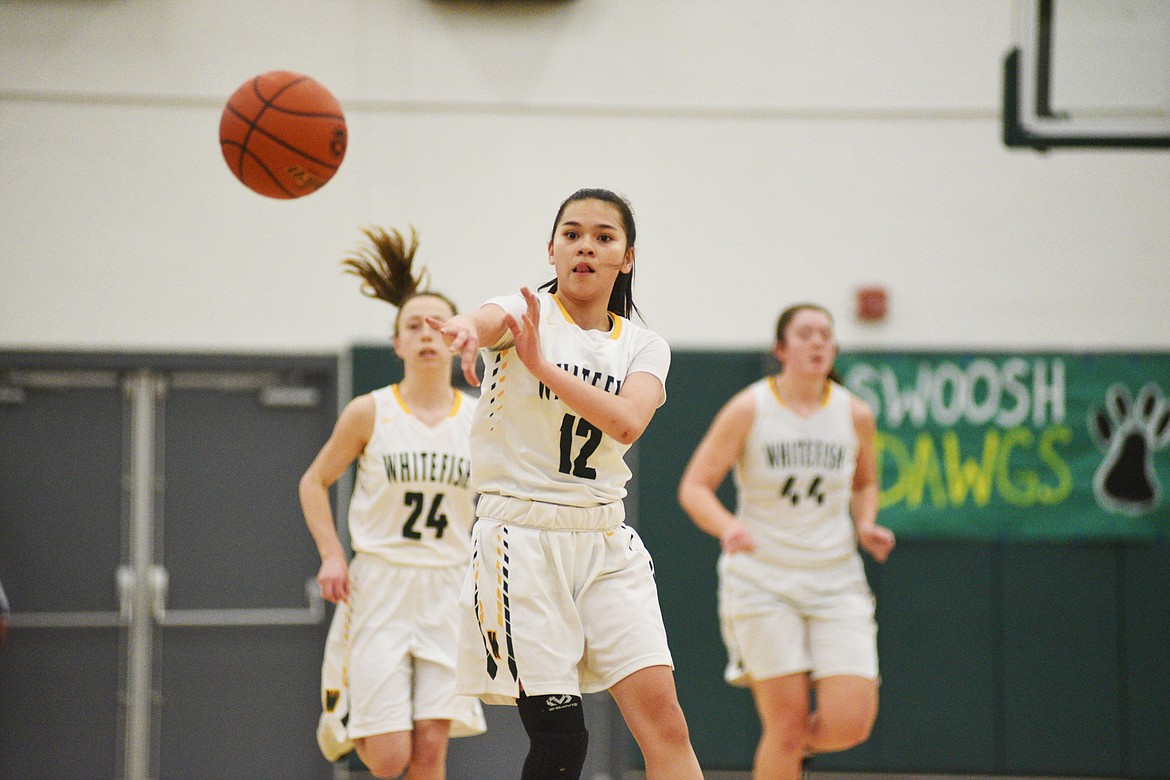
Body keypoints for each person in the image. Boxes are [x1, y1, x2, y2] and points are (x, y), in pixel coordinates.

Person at [428, 188, 703, 780]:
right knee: (562, 744)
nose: (586, 246)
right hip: (521, 540)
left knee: (668, 727)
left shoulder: (644, 345)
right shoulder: (524, 311)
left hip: (605, 541)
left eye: (604, 237)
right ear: (551, 250)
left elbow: (627, 421)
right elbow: (488, 319)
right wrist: (465, 329)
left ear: (627, 257)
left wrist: (543, 369)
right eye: (572, 234)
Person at [677, 303, 895, 780]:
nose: (818, 342)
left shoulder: (855, 413)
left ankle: (790, 753)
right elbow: (694, 486)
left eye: (826, 334)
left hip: (836, 579)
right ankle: (787, 750)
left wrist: (865, 523)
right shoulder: (749, 407)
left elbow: (864, 484)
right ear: (781, 349)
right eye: (805, 334)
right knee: (786, 724)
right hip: (763, 579)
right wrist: (727, 526)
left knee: (850, 724)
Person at [299, 226, 485, 780]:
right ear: (398, 344)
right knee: (388, 757)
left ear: (456, 340)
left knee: (432, 747)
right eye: (412, 327)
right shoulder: (369, 412)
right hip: (380, 584)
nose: (426, 335)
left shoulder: (480, 420)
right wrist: (333, 555)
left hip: (450, 587)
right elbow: (313, 482)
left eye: (438, 325)